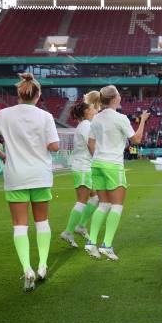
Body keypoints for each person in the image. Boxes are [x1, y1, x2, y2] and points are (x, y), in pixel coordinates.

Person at [0, 73, 59, 292]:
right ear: (38, 95)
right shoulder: (45, 116)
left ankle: (27, 268)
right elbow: (54, 146)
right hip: (40, 175)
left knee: (20, 226)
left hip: (16, 175)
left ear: (19, 93)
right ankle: (43, 265)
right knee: (42, 222)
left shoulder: (4, 114)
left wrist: (3, 155)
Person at [85, 85, 149, 260]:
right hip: (112, 165)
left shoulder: (96, 118)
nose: (121, 97)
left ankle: (91, 242)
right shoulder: (120, 118)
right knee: (117, 205)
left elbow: (90, 143)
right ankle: (106, 245)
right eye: (119, 95)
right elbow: (136, 139)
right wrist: (143, 120)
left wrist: (99, 158)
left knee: (103, 204)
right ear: (114, 99)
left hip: (97, 164)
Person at [60, 97, 100, 248]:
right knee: (82, 201)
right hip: (83, 167)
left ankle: (81, 226)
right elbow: (91, 145)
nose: (95, 110)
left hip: (85, 167)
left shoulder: (86, 125)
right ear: (86, 111)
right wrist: (98, 162)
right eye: (93, 108)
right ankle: (68, 231)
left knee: (95, 199)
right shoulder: (86, 126)